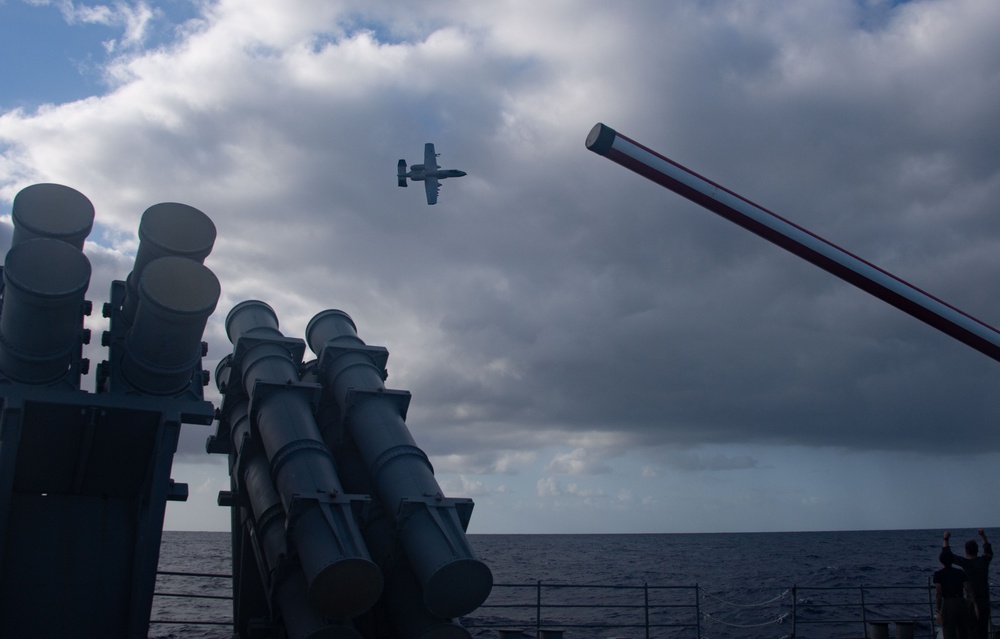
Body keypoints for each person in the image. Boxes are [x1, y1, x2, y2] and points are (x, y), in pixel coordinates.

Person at [943, 530, 993, 639]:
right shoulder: (984, 561)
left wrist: (946, 538)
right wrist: (983, 536)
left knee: (971, 631)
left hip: (972, 602)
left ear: (966, 551)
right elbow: (989, 551)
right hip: (985, 601)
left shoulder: (966, 563)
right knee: (983, 631)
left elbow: (948, 555)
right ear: (977, 550)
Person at [935, 549, 975, 639]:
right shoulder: (960, 572)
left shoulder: (939, 574)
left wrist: (937, 611)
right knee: (963, 632)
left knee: (948, 633)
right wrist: (974, 605)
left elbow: (939, 594)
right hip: (961, 603)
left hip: (948, 604)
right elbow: (968, 589)